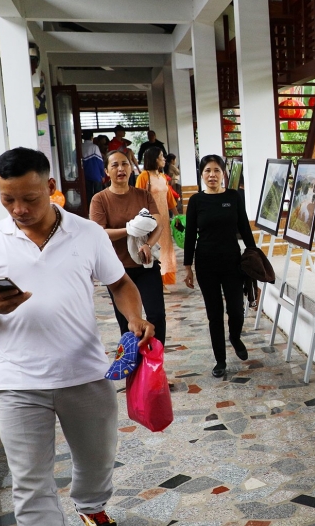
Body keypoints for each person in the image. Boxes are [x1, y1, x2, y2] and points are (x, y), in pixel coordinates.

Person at [0, 148, 153, 526]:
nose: (19, 210)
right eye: (8, 200)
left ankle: (90, 504)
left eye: (28, 198)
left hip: (85, 372)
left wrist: (134, 319)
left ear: (50, 188)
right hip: (18, 381)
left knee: (98, 459)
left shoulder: (87, 234)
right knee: (30, 482)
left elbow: (119, 282)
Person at [184, 154, 254, 377]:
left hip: (232, 263)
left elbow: (244, 227)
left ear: (223, 173)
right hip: (206, 264)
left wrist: (254, 255)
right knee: (214, 314)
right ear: (202, 174)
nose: (212, 175)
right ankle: (220, 361)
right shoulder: (196, 201)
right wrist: (187, 266)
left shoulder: (234, 197)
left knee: (236, 309)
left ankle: (235, 336)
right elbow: (189, 236)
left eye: (216, 170)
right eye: (207, 171)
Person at [90, 150, 167, 346]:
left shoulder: (143, 195)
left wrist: (148, 245)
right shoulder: (100, 199)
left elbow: (158, 223)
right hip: (117, 270)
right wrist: (130, 229)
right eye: (114, 165)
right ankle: (134, 368)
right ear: (107, 170)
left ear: (131, 168)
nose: (120, 169)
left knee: (156, 315)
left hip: (146, 266)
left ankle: (154, 363)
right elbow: (99, 233)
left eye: (124, 164)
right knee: (127, 323)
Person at [135, 148, 177, 286]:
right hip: (151, 219)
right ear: (154, 159)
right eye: (161, 157)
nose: (164, 159)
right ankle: (156, 281)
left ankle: (163, 279)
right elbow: (138, 198)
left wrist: (177, 216)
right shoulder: (144, 177)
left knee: (165, 247)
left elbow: (169, 199)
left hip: (164, 218)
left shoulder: (162, 177)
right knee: (154, 247)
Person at [81, 132, 106, 209]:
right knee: (98, 192)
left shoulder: (80, 146)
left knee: (88, 192)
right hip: (95, 174)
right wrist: (103, 174)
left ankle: (89, 208)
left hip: (84, 174)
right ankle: (98, 208)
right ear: (92, 137)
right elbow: (99, 161)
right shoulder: (94, 147)